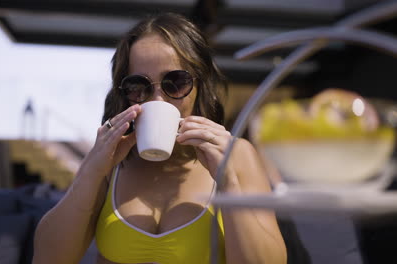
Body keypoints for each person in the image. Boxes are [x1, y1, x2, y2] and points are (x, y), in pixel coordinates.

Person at [33, 13, 287, 264]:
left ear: (200, 86)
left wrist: (229, 184)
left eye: (175, 82)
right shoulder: (111, 161)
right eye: (138, 86)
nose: (157, 100)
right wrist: (91, 171)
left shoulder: (235, 154)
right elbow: (47, 258)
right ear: (124, 93)